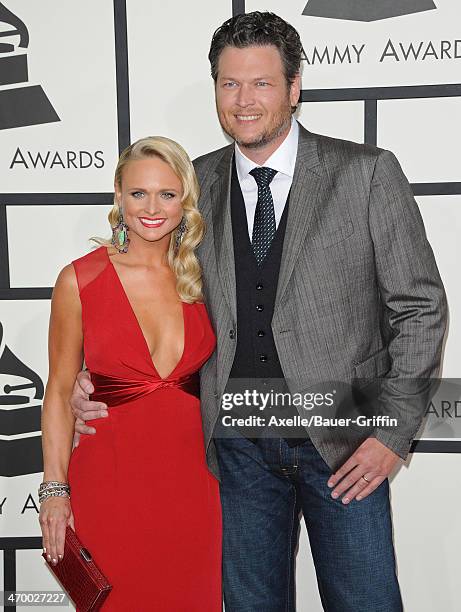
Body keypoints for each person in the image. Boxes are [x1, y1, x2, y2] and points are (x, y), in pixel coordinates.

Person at [70, 12, 447, 612]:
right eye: (229, 84)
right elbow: (146, 289)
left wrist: (393, 435)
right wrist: (99, 379)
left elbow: (421, 306)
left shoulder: (365, 173)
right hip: (237, 447)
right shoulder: (195, 183)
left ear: (294, 88)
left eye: (262, 83)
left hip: (345, 441)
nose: (244, 101)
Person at [39, 136, 222, 611]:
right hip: (110, 485)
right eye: (139, 193)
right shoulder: (79, 280)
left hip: (197, 490)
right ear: (118, 195)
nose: (152, 208)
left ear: (185, 200)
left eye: (167, 194)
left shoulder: (207, 280)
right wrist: (55, 492)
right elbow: (59, 392)